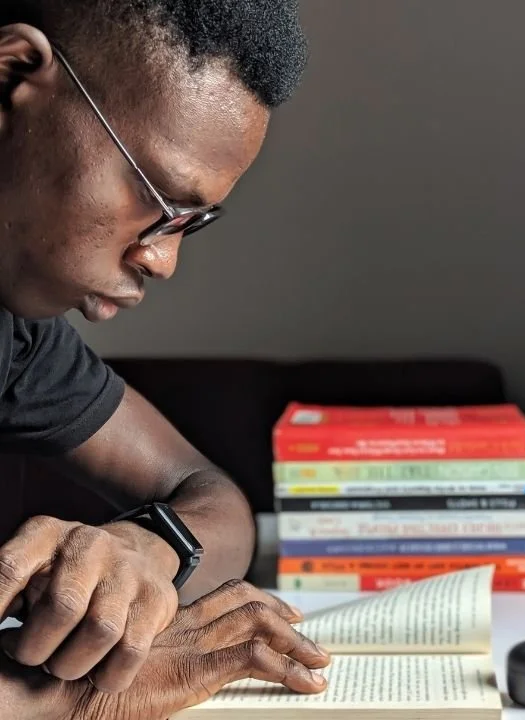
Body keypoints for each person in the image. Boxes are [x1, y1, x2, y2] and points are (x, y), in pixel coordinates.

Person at [0, 1, 332, 718]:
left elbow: (213, 498)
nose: (163, 257)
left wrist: (147, 547)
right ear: (12, 77)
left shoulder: (16, 339)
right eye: (156, 199)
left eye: (191, 223)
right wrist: (70, 700)